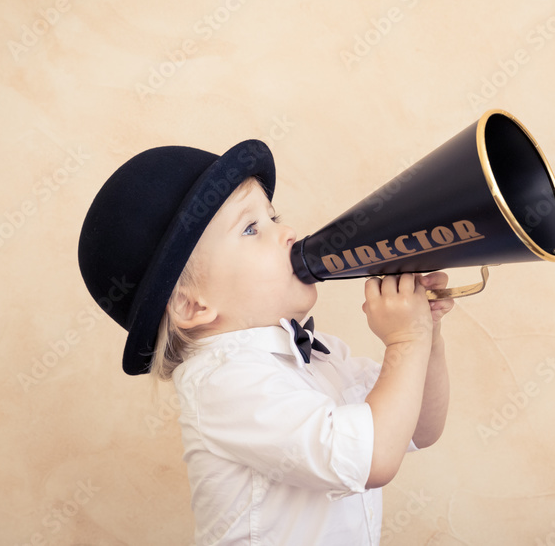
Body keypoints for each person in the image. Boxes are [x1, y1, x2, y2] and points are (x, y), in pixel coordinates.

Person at [77, 139, 451, 545]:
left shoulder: (318, 354)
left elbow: (417, 428)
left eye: (274, 218)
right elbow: (372, 458)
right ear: (191, 305)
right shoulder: (223, 382)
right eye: (252, 228)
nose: (288, 232)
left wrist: (427, 336)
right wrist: (406, 341)